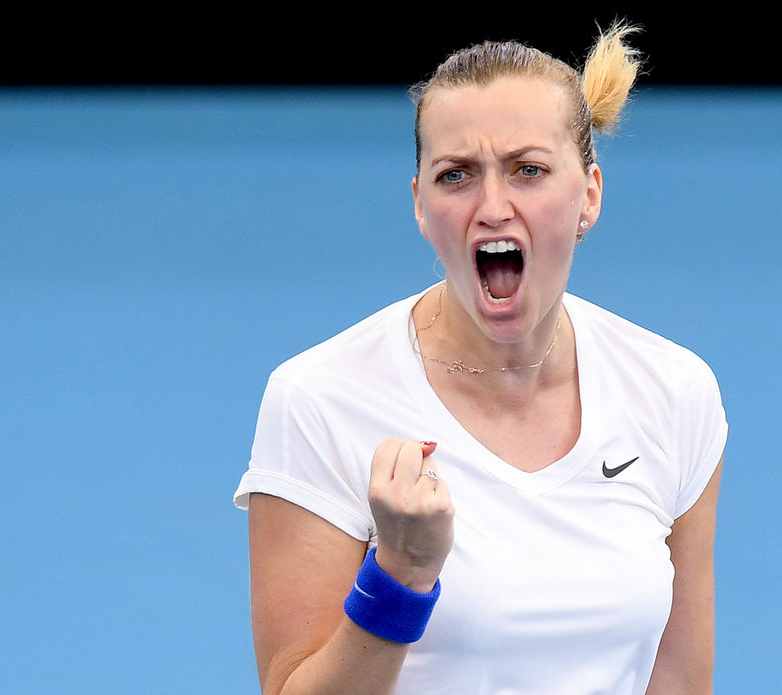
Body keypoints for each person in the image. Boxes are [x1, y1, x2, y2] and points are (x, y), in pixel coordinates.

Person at [234, 22, 727, 695]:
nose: (493, 206)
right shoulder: (318, 400)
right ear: (420, 205)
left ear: (589, 194)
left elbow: (677, 680)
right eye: (456, 175)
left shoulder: (674, 392)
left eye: (528, 169)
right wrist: (401, 575)